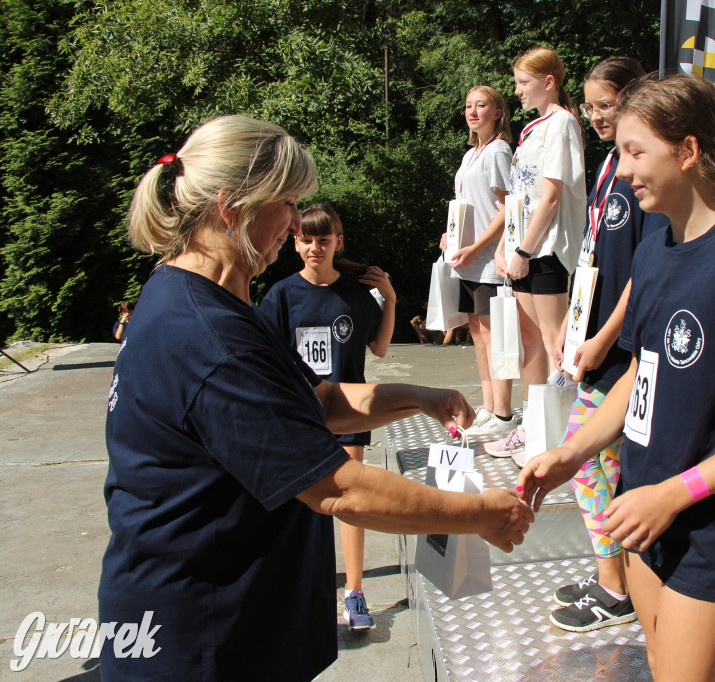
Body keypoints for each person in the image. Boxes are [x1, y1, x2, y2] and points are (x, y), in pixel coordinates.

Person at [102, 115, 533, 681]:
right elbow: (340, 489)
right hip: (202, 637)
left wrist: (418, 396)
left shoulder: (197, 297)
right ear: (232, 207)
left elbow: (317, 402)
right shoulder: (209, 339)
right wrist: (480, 514)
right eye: (286, 204)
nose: (292, 222)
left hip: (218, 621)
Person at [518, 74, 715, 680]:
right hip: (644, 508)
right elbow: (636, 377)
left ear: (688, 150)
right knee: (657, 665)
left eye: (635, 152)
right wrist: (574, 451)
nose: (622, 171)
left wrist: (675, 494)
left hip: (710, 521)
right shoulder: (654, 252)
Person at [543, 56, 670, 633]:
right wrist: (574, 323)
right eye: (589, 106)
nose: (595, 115)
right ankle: (611, 578)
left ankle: (616, 588)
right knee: (599, 463)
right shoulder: (607, 168)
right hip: (594, 338)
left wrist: (603, 337)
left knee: (591, 464)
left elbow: (643, 273)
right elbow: (594, 254)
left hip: (622, 350)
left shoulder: (642, 175)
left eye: (605, 105)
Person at [257, 203, 396, 631]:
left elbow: (381, 349)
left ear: (338, 241)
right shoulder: (280, 295)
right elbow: (267, 361)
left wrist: (389, 298)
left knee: (351, 503)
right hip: (298, 418)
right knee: (301, 505)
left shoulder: (356, 293)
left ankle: (354, 592)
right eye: (305, 239)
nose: (314, 247)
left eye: (323, 239)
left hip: (349, 416)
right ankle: (302, 589)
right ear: (295, 243)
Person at [487, 46, 586, 458]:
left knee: (555, 344)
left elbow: (549, 197)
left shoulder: (561, 124)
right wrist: (504, 245)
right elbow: (519, 198)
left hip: (544, 249)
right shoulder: (534, 129)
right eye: (516, 82)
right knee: (532, 343)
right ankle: (533, 426)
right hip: (524, 249)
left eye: (524, 82)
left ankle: (566, 437)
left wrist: (524, 249)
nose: (518, 91)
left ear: (549, 82)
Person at [440, 85, 516, 438]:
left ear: (497, 112)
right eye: (468, 105)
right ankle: (489, 406)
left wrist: (476, 248)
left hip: (487, 261)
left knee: (494, 335)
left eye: (480, 105)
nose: (472, 111)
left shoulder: (499, 150)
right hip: (465, 261)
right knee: (477, 334)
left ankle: (503, 413)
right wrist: (450, 238)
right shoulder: (470, 153)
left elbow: (506, 209)